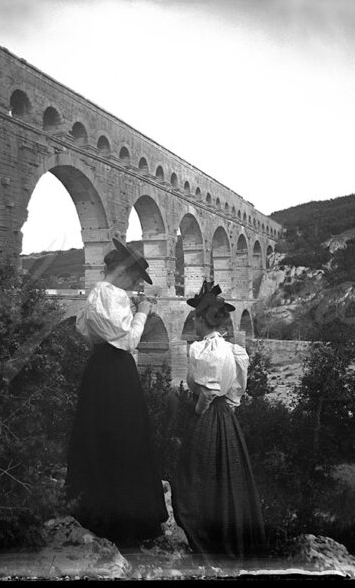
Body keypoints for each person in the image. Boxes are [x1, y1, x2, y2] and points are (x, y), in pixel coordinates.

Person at [65, 238, 168, 547]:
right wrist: (143, 312)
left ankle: (98, 509)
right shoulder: (113, 295)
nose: (135, 285)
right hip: (118, 371)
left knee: (99, 434)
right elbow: (127, 341)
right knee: (126, 435)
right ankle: (128, 519)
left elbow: (88, 334)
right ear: (123, 272)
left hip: (99, 370)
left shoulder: (94, 295)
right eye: (134, 278)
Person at [172, 280, 266, 561]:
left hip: (209, 416)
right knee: (228, 479)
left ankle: (209, 539)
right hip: (226, 418)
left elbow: (209, 392)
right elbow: (234, 391)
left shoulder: (202, 350)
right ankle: (229, 537)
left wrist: (199, 412)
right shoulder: (232, 350)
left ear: (202, 319)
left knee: (196, 477)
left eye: (195, 318)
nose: (194, 324)